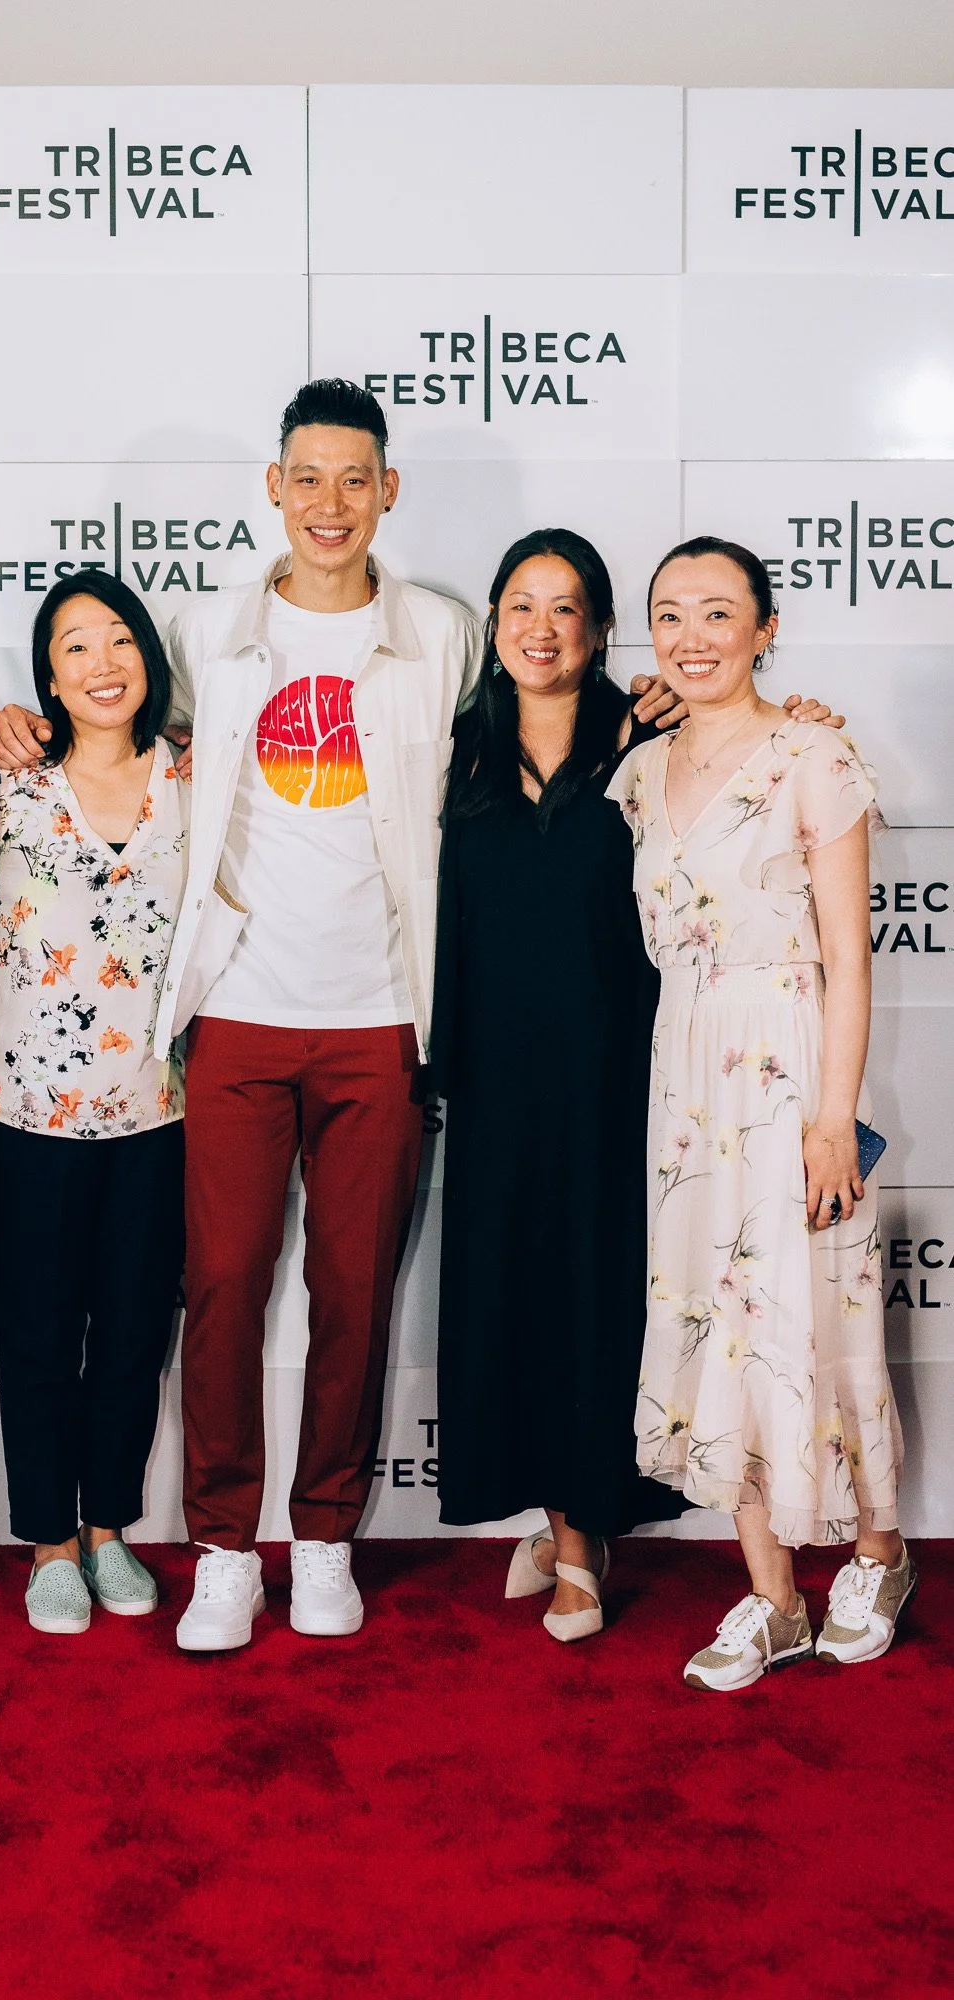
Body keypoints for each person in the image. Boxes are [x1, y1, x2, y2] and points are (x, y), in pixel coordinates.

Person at [0, 379, 482, 1648]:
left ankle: (321, 1538)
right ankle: (223, 1546)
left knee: (355, 1292)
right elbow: (113, 739)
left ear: (388, 489)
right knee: (216, 1287)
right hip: (234, 1018)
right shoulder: (207, 631)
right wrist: (2, 721)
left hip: (381, 1015)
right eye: (304, 477)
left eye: (353, 477)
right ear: (273, 487)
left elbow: (536, 735)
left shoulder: (442, 635)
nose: (328, 502)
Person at [607, 537, 911, 1691]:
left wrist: (833, 1116)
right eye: (668, 614)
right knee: (709, 1325)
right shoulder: (637, 773)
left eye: (716, 612)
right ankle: (771, 1592)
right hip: (683, 1087)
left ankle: (877, 1556)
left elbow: (848, 955)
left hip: (789, 1069)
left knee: (817, 1317)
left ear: (762, 626)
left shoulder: (813, 756)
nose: (690, 635)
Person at [432, 529, 685, 1643]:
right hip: (487, 1074)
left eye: (565, 608)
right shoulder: (451, 749)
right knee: (512, 1291)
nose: (540, 627)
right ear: (493, 623)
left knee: (595, 1292)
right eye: (520, 605)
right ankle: (551, 1513)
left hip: (612, 1069)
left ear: (596, 633)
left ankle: (583, 1532)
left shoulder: (644, 740)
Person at [0, 573, 187, 1635]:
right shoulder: (5, 785)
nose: (102, 663)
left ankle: (108, 1525)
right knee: (39, 1331)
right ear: (46, 677)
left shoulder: (193, 777)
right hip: (26, 1119)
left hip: (160, 1115)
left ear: (147, 657)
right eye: (74, 648)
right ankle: (47, 1540)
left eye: (118, 641)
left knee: (134, 1332)